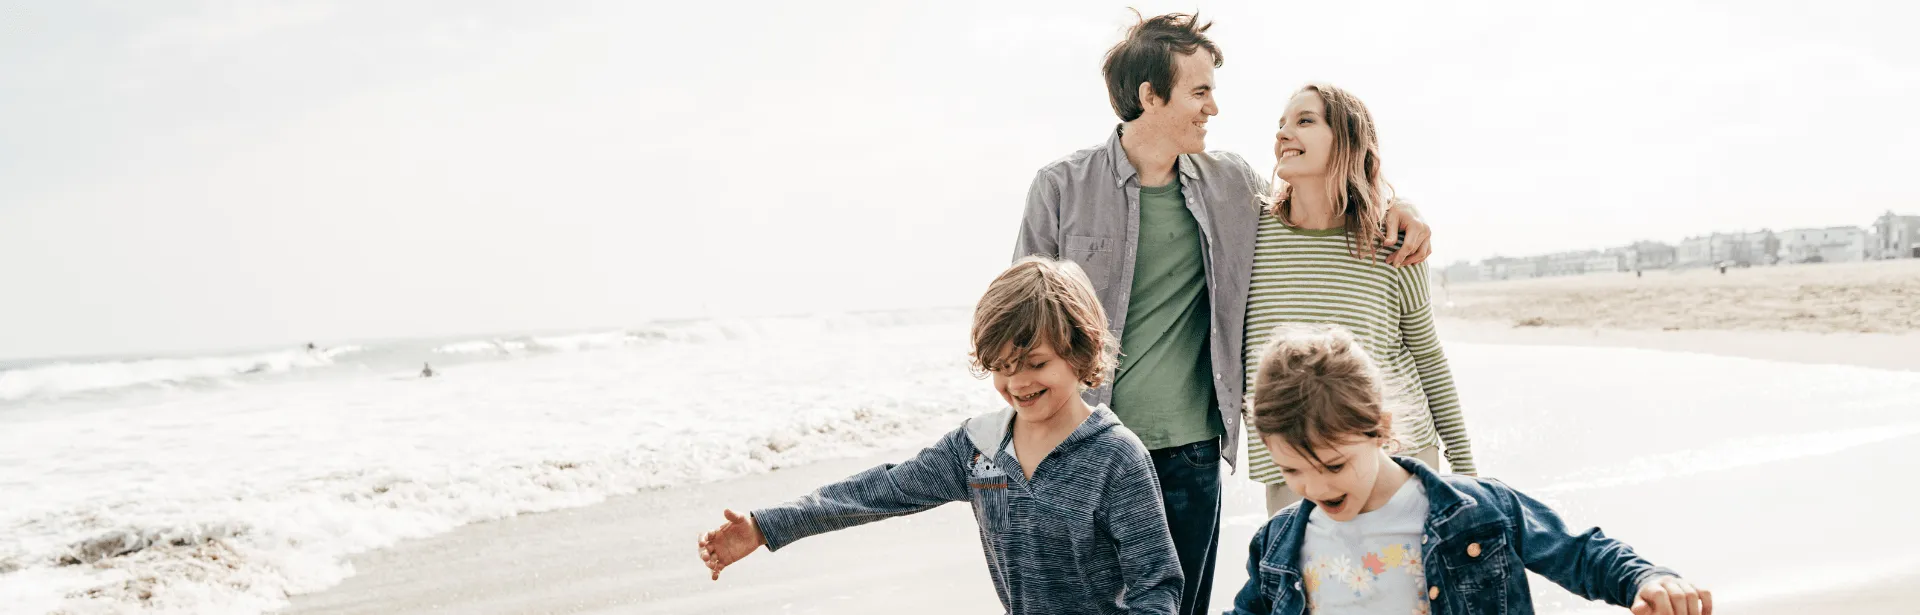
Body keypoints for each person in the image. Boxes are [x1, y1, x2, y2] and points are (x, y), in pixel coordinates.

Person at [1012, 14, 1434, 615]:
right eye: (1200, 90)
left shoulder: (1231, 183)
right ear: (1150, 96)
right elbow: (1020, 323)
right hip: (1085, 447)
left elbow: (1320, 198)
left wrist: (1403, 206)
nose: (1214, 107)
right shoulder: (1060, 187)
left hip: (1191, 453)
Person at [697, 257, 1181, 614]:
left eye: (1037, 364)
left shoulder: (1116, 457)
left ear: (1081, 351)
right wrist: (767, 526)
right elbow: (880, 491)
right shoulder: (979, 450)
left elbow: (1156, 586)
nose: (1018, 384)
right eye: (1002, 368)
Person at [1228, 324, 1711, 615]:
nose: (1314, 487)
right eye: (1291, 471)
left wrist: (1648, 579)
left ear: (1380, 429)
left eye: (1334, 464)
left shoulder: (1476, 511)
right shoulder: (1278, 544)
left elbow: (1579, 552)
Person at [1242, 84, 1475, 516]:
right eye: (1280, 125)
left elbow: (1426, 356)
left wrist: (1466, 473)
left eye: (1304, 121)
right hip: (1294, 468)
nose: (1283, 134)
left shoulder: (1392, 242)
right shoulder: (1248, 235)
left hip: (1398, 459)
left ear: (1347, 139)